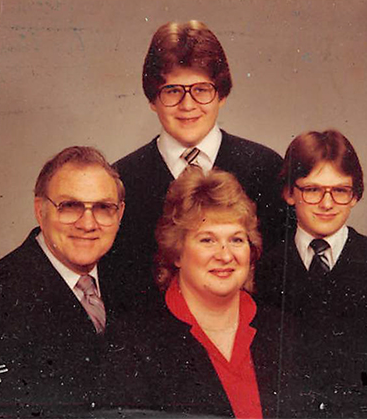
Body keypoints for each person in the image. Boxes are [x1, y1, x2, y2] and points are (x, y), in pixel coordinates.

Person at [104, 20, 286, 313]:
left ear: (222, 95)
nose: (188, 105)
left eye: (202, 89)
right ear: (153, 99)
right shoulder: (121, 180)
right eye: (172, 91)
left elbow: (279, 279)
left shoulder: (265, 169)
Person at [101, 167, 313, 418]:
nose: (225, 255)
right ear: (177, 252)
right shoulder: (133, 342)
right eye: (207, 240)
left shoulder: (285, 332)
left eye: (236, 240)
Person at [256, 130, 367, 418]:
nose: (327, 203)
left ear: (355, 195)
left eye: (340, 190)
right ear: (289, 193)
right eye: (312, 189)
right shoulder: (266, 267)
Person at [0, 146, 125, 418]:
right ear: (40, 210)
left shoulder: (128, 280)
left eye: (103, 207)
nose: (88, 224)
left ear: (120, 214)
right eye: (70, 206)